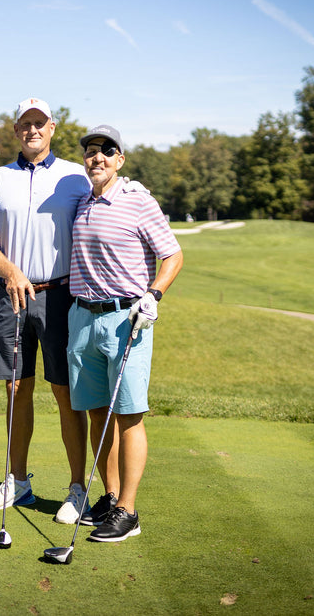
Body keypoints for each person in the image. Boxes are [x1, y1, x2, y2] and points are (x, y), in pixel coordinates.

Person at [0, 97, 93, 524]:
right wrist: (9, 272)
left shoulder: (75, 177)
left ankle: (78, 487)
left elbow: (105, 204)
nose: (32, 131)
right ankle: (18, 482)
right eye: (25, 124)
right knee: (15, 388)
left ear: (52, 127)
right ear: (15, 130)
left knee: (66, 393)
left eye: (39, 123)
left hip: (62, 295)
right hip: (11, 296)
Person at [67, 124, 183, 542]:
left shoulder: (138, 200)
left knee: (129, 415)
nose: (96, 157)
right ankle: (112, 497)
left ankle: (129, 512)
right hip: (82, 319)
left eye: (106, 151)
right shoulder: (82, 201)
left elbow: (172, 254)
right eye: (90, 151)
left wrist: (154, 294)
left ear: (120, 160)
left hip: (126, 320)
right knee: (97, 411)